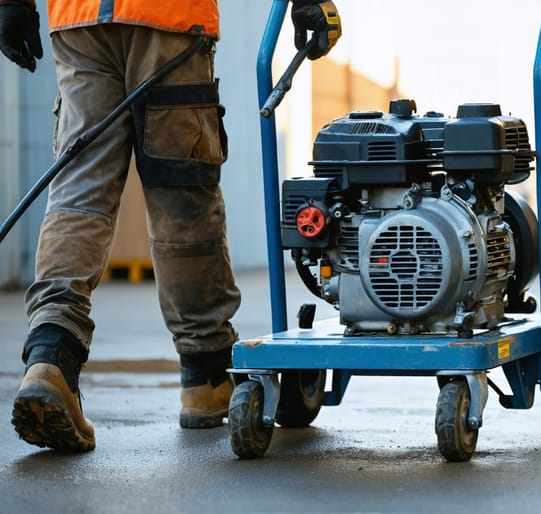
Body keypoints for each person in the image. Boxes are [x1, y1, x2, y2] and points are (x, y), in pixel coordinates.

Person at [0, 0, 341, 453]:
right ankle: (206, 373)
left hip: (78, 19)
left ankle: (49, 357)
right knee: (181, 193)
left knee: (78, 192)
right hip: (168, 15)